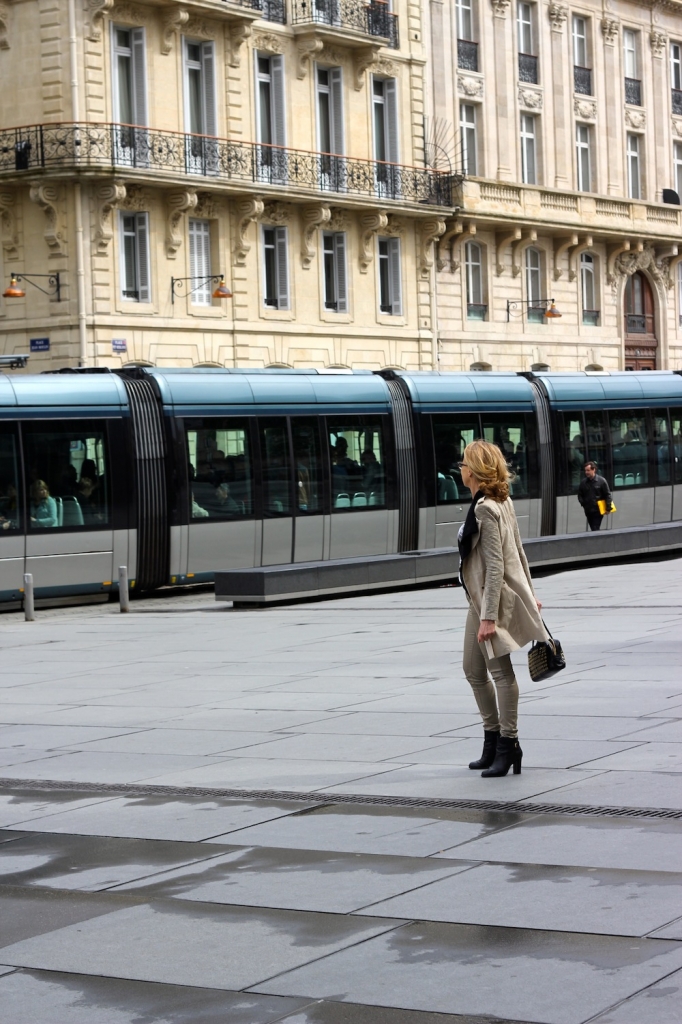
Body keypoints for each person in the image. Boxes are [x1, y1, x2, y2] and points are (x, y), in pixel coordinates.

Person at [458, 440, 547, 778]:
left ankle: (508, 744)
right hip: (477, 601)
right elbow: (519, 552)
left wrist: (489, 618)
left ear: (475, 471)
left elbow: (498, 565)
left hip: (490, 603)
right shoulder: (495, 501)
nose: (460, 469)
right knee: (472, 669)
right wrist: (531, 591)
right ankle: (492, 738)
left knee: (501, 674)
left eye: (464, 464)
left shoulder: (487, 508)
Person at [577, 461, 612, 531]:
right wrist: (583, 504)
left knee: (595, 528)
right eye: (585, 470)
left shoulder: (601, 481)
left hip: (598, 510)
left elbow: (607, 495)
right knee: (594, 528)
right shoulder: (583, 482)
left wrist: (608, 508)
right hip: (588, 511)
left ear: (594, 470)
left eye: (588, 470)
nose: (586, 472)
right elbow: (580, 495)